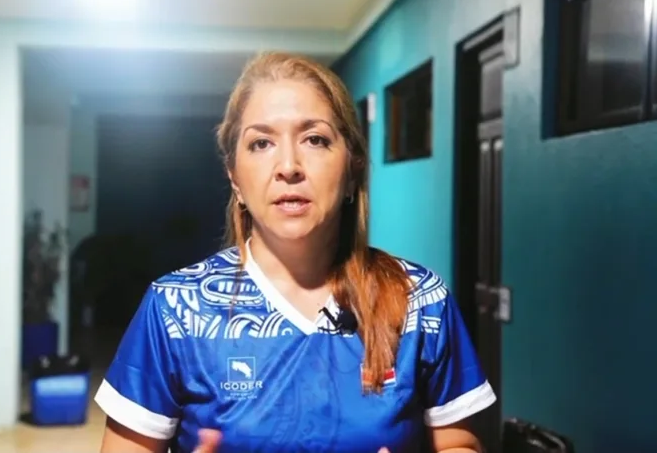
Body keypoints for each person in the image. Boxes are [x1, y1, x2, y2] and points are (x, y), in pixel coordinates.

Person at [95, 52, 497, 453]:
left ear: (353, 169)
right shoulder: (175, 308)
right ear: (234, 178)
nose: (288, 166)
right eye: (261, 143)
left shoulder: (420, 300)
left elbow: (459, 444)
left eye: (315, 139)